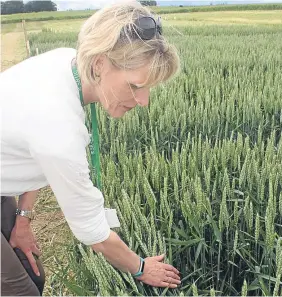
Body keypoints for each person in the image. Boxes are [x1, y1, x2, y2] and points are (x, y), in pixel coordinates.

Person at [0, 1, 181, 296]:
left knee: (32, 274)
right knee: (20, 292)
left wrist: (23, 219)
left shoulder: (69, 62)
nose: (144, 100)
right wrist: (141, 268)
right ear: (99, 64)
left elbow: (37, 151)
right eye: (136, 86)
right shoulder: (57, 127)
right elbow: (93, 233)